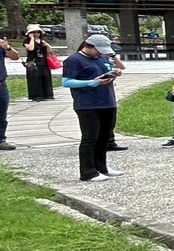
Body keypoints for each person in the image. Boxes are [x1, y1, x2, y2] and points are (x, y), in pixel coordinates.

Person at [60, 33, 121, 180]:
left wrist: (113, 73)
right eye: (98, 50)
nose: (100, 53)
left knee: (104, 136)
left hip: (107, 101)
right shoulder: (74, 60)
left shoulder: (101, 58)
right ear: (89, 46)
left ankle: (101, 166)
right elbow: (66, 82)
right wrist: (91, 82)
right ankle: (88, 171)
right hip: (87, 104)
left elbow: (105, 70)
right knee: (90, 138)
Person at [23, 24, 54, 102]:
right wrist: (32, 39)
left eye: (38, 32)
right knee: (35, 79)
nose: (36, 34)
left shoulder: (43, 40)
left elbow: (49, 51)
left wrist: (47, 45)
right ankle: (36, 95)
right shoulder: (27, 41)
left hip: (43, 61)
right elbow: (31, 48)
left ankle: (47, 94)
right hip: (33, 61)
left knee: (46, 77)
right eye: (34, 32)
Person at [0, 33, 18, 151]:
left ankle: (1, 140)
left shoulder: (1, 45)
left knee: (1, 113)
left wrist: (7, 47)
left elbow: (15, 57)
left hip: (1, 83)